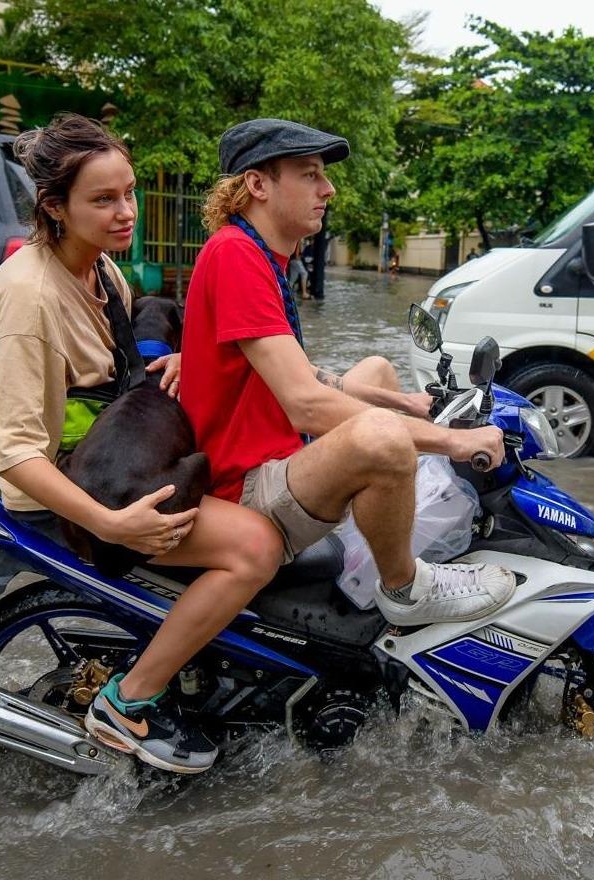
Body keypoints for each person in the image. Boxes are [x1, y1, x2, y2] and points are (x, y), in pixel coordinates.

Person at [0, 113, 283, 774]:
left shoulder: (104, 273)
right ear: (53, 207)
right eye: (103, 200)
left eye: (130, 193)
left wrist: (167, 362)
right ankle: (129, 700)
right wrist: (113, 523)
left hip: (111, 462)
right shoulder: (29, 300)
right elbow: (17, 453)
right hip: (72, 494)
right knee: (255, 548)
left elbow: (120, 378)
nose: (126, 213)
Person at [180, 118, 515, 626]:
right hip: (243, 483)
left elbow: (308, 375)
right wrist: (450, 442)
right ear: (257, 184)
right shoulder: (235, 255)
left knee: (380, 372)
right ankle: (404, 588)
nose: (328, 188)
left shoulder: (263, 256)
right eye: (310, 174)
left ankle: (374, 522)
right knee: (382, 439)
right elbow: (305, 402)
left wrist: (408, 404)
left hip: (272, 448)